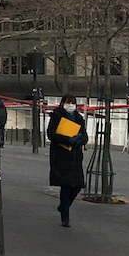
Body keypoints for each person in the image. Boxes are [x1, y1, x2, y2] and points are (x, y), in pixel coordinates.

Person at [46, 94, 88, 227]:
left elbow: (85, 136)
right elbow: (51, 134)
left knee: (78, 185)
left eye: (73, 102)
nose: (71, 105)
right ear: (63, 103)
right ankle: (65, 216)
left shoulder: (79, 118)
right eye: (68, 102)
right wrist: (66, 140)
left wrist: (80, 140)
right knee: (66, 185)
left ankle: (64, 206)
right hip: (61, 155)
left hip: (75, 156)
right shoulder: (56, 116)